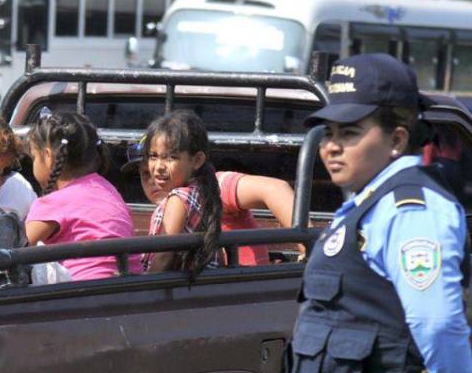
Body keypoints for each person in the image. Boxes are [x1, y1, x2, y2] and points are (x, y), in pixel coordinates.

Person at [286, 53, 472, 373]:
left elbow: (435, 321)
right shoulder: (369, 202)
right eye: (330, 133)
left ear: (397, 139)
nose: (331, 147)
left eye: (350, 133)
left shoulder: (411, 208)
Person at [124, 134, 297, 266]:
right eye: (146, 173)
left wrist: (311, 251)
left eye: (166, 163)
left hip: (248, 296)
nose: (155, 177)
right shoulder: (162, 214)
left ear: (191, 162)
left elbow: (274, 189)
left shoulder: (212, 186)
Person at [24, 110, 139, 280]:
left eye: (33, 157)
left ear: (48, 156)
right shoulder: (109, 189)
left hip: (81, 294)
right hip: (130, 287)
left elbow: (17, 248)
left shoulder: (53, 203)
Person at [138, 110, 222, 278]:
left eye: (171, 158)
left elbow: (163, 256)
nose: (159, 166)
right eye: (153, 156)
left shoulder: (178, 199)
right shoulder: (201, 191)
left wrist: (143, 288)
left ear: (197, 160)